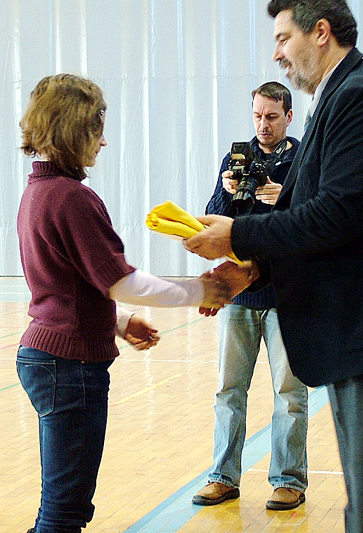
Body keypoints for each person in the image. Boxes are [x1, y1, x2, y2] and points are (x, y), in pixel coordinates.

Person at [185, 0, 363, 533]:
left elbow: (338, 215)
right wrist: (254, 271)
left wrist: (238, 235)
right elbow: (321, 213)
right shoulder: (341, 96)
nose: (276, 53)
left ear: (321, 32)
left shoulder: (360, 98)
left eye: (283, 37)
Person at [17, 74, 232, 533]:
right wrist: (203, 291)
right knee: (64, 512)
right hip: (68, 366)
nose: (103, 141)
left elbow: (68, 285)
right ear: (75, 129)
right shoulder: (71, 198)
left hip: (49, 356)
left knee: (64, 506)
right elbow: (121, 281)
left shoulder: (38, 191)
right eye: (97, 129)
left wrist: (115, 322)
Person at [191, 81, 309, 511]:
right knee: (228, 390)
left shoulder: (304, 159)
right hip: (239, 294)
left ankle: (288, 481)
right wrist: (226, 191)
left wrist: (286, 198)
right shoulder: (236, 159)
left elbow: (315, 223)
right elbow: (213, 220)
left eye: (272, 116)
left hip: (288, 295)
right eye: (257, 115)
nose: (263, 124)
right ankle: (223, 476)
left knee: (290, 394)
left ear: (289, 116)